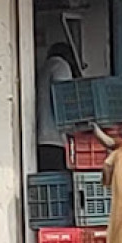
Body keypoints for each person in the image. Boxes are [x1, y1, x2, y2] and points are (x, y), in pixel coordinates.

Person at [36, 36, 82, 171]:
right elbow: (65, 98)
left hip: (42, 137)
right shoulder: (61, 66)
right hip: (55, 139)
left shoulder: (45, 67)